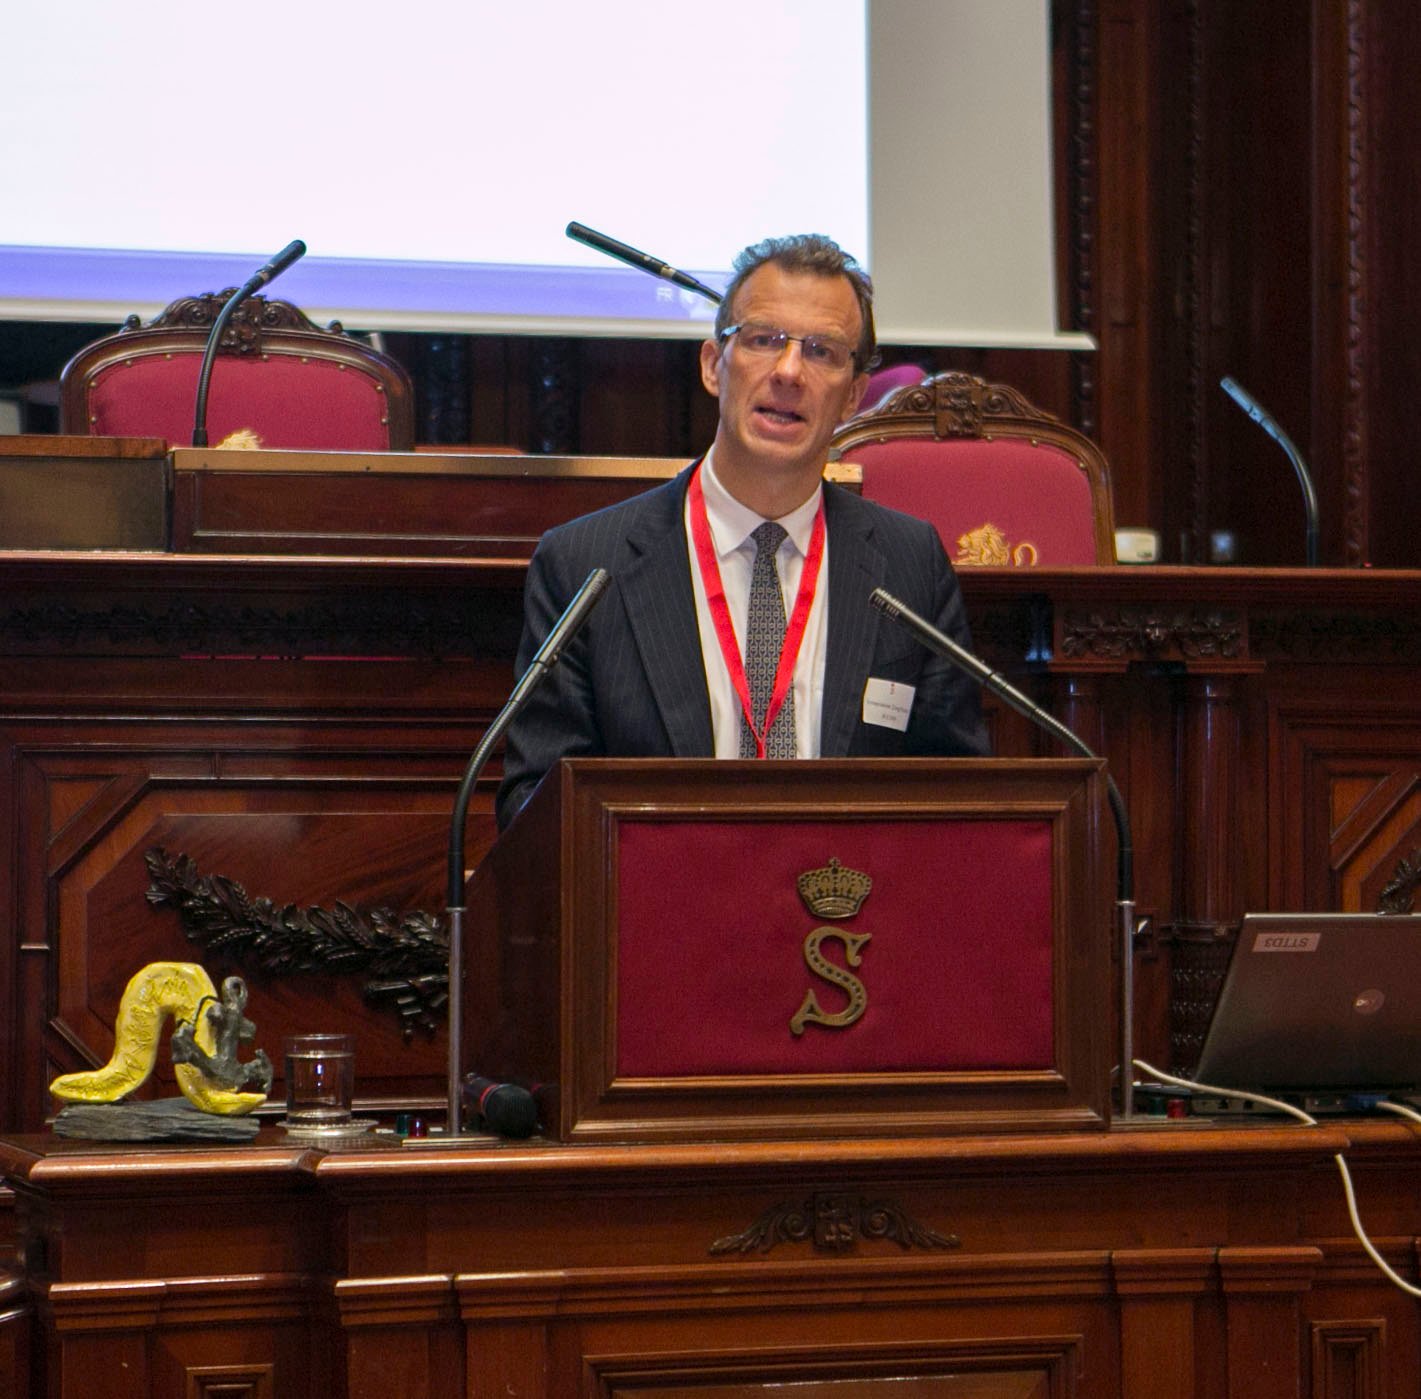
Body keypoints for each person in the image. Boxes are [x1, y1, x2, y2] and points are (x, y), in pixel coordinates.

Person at [496, 233, 988, 829]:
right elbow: (535, 807)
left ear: (854, 395)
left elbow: (959, 798)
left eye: (822, 351)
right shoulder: (585, 563)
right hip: (662, 911)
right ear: (712, 365)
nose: (788, 371)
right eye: (764, 341)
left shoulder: (909, 564)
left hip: (846, 910)